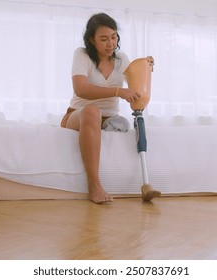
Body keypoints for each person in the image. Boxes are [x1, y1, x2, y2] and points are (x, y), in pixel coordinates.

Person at [60, 13, 155, 204]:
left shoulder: (121, 59)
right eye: (103, 39)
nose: (110, 43)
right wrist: (118, 91)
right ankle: (94, 186)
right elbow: (81, 89)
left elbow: (136, 85)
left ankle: (107, 126)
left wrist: (146, 67)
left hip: (109, 118)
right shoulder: (82, 54)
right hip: (79, 115)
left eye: (114, 37)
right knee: (92, 110)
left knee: (117, 121)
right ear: (91, 40)